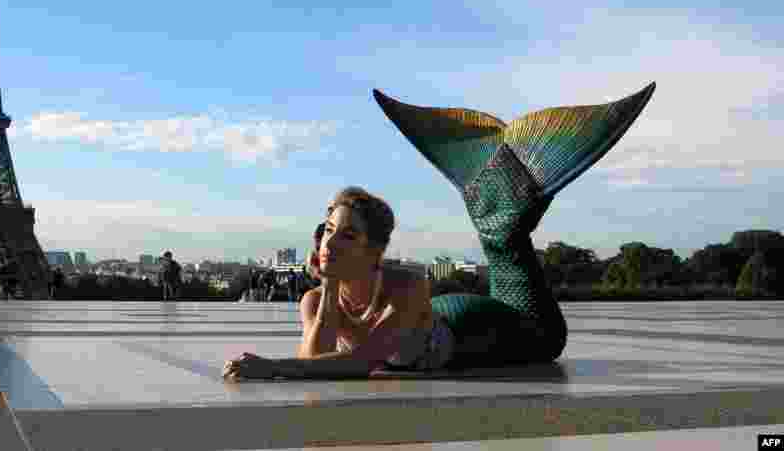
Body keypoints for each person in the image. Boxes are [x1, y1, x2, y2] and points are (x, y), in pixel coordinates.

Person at [223, 83, 655, 380]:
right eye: (329, 230)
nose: (330, 243)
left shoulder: (408, 285)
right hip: (437, 316)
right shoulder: (314, 300)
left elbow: (362, 363)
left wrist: (271, 367)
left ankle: (504, 211)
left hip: (472, 327)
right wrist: (330, 289)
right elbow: (313, 359)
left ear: (375, 250)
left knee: (543, 336)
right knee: (504, 243)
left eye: (348, 236)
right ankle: (502, 203)